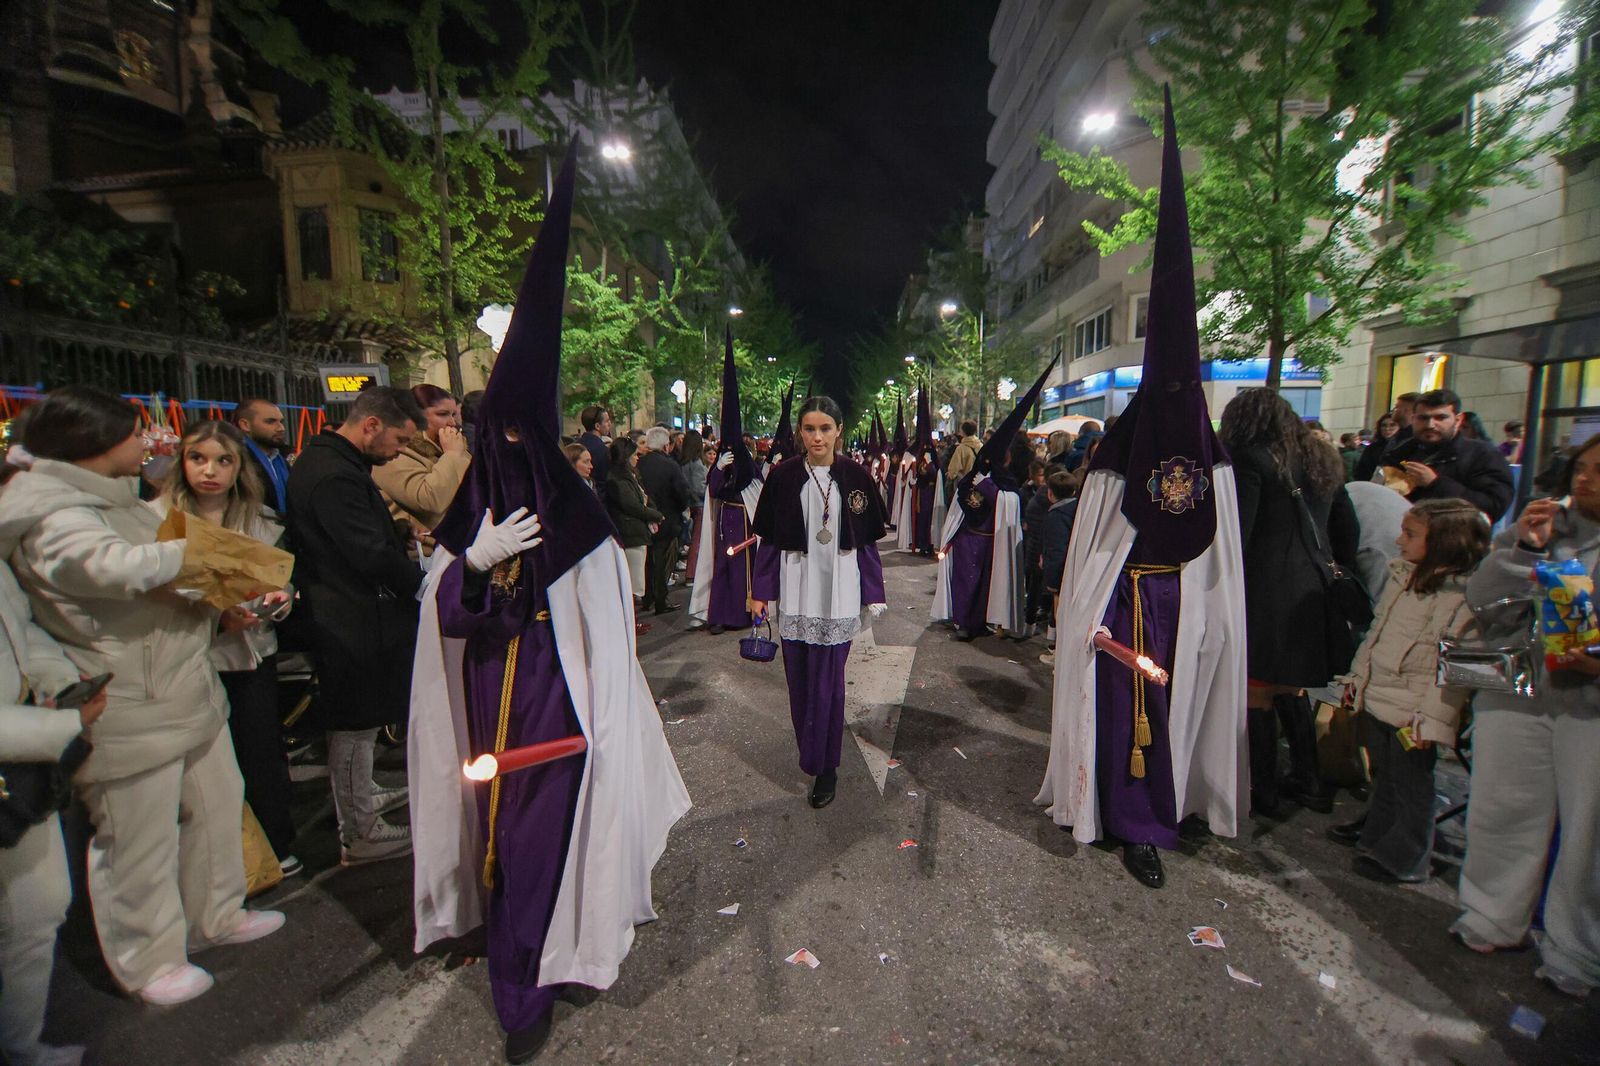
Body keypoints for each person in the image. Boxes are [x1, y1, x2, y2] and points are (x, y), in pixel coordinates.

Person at [411, 149, 690, 1062]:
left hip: (555, 709)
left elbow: (605, 635)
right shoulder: (473, 510)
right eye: (499, 434)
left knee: (540, 840)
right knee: (495, 833)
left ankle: (525, 984)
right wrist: (470, 561)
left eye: (525, 434)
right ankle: (515, 946)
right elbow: (442, 619)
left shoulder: (581, 528)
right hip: (486, 692)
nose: (509, 449)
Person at [0, 386, 283, 1006]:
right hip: (129, 699)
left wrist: (222, 600)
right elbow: (110, 569)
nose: (150, 442)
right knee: (138, 839)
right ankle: (147, 960)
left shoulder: (117, 498)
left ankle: (219, 914)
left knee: (215, 808)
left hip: (185, 686)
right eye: (136, 432)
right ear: (94, 444)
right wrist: (205, 552)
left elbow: (163, 582)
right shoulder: (52, 512)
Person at [1035, 94, 1247, 890]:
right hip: (1123, 606)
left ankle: (1170, 807)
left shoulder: (1209, 449)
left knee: (1175, 712)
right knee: (1125, 716)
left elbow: (1219, 549)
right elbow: (1094, 545)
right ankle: (1130, 824)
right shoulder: (1119, 452)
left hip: (1184, 605)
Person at [1445, 439, 1600, 998]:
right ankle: (1489, 916)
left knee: (1587, 833)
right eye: (1580, 469)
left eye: (1598, 472)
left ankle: (1577, 952)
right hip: (1519, 689)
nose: (1584, 481)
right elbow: (1482, 597)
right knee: (1502, 806)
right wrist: (1523, 550)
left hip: (1590, 704)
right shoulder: (1545, 528)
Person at [155, 420, 303, 875]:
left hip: (252, 650)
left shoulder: (260, 520)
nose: (210, 471)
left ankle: (271, 849)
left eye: (223, 461)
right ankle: (209, 864)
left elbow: (282, 583)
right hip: (187, 655)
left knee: (259, 751)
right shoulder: (157, 518)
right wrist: (216, 615)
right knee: (200, 764)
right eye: (198, 459)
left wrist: (279, 600)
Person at [287, 386, 425, 865]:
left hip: (352, 612)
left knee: (362, 720)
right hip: (346, 619)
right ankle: (359, 830)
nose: (400, 451)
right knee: (355, 722)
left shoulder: (336, 463)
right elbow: (364, 551)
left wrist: (400, 533)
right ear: (371, 426)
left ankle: (361, 797)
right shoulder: (333, 474)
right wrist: (421, 585)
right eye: (399, 440)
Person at [1327, 499, 1486, 883]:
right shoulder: (1405, 577)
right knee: (1387, 776)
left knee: (1412, 785)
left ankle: (1408, 856)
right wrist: (1357, 681)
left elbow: (1453, 673)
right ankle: (1378, 835)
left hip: (1414, 712)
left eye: (1410, 534)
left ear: (1445, 543)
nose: (1399, 541)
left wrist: (1432, 720)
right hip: (1383, 696)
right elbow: (1378, 634)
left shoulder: (1462, 601)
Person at [1222, 387, 1359, 817]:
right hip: (1311, 588)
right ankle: (1310, 780)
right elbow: (1347, 528)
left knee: (1256, 692)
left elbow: (1237, 534)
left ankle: (1264, 789)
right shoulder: (1324, 459)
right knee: (1291, 687)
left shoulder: (1250, 459)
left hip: (1265, 589)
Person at [751, 396, 887, 809]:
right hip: (796, 588)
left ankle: (827, 767)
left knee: (828, 685)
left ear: (838, 430)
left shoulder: (856, 476)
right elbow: (770, 540)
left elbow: (866, 545)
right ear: (800, 432)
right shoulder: (783, 475)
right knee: (800, 683)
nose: (816, 437)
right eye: (809, 429)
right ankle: (812, 755)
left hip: (840, 592)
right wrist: (760, 591)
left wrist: (874, 591)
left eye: (824, 428)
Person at [0, 558, 105, 1066]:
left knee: (40, 908)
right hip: (21, 744)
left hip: (22, 766)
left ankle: (21, 1048)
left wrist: (60, 683)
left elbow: (21, 630)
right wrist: (57, 725)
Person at [933, 369, 1050, 642]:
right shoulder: (975, 478)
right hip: (968, 540)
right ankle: (963, 621)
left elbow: (1007, 502)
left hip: (991, 543)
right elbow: (961, 502)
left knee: (985, 586)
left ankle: (980, 621)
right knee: (966, 582)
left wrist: (988, 487)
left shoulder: (1004, 484)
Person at [1379, 389, 1515, 523]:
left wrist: (1436, 483)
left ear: (1458, 420)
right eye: (1423, 418)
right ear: (1413, 419)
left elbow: (1493, 507)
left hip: (1454, 541)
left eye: (1440, 418)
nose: (1430, 425)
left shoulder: (1482, 454)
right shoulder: (1398, 453)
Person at [371, 384, 471, 534]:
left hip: (463, 542)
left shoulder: (452, 447)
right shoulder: (394, 452)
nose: (452, 422)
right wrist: (451, 455)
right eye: (443, 414)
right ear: (416, 416)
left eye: (454, 414)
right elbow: (429, 502)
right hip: (426, 550)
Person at [636, 427, 690, 615]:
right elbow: (682, 492)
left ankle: (647, 596)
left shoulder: (638, 464)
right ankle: (660, 598)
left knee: (647, 561)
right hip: (666, 519)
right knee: (661, 562)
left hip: (643, 519)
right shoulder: (670, 465)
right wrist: (682, 508)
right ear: (666, 446)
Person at [605, 437, 661, 603]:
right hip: (630, 534)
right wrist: (655, 515)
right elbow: (631, 505)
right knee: (631, 583)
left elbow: (643, 497)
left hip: (637, 532)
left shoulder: (630, 475)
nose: (638, 457)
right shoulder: (617, 479)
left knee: (636, 581)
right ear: (626, 456)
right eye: (635, 454)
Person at [1037, 469, 1079, 665]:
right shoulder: (1078, 509)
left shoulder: (1056, 516)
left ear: (1050, 493)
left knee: (1060, 617)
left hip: (1061, 576)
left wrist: (1052, 582)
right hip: (1075, 572)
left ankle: (1060, 659)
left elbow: (1056, 551)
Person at [233, 398, 292, 514]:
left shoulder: (280, 459)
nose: (281, 428)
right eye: (270, 422)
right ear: (245, 425)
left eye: (281, 421)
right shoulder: (236, 459)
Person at [1353, 393, 1420, 484]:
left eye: (1396, 407)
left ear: (1408, 411)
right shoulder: (1394, 440)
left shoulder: (1415, 440)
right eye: (1384, 426)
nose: (1393, 411)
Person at [578, 405, 613, 485]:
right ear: (597, 426)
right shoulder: (603, 450)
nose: (610, 424)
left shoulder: (576, 446)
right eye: (607, 421)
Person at [945, 420, 982, 485]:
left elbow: (953, 470)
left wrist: (950, 475)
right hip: (978, 483)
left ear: (963, 432)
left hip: (964, 484)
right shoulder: (980, 446)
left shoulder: (961, 449)